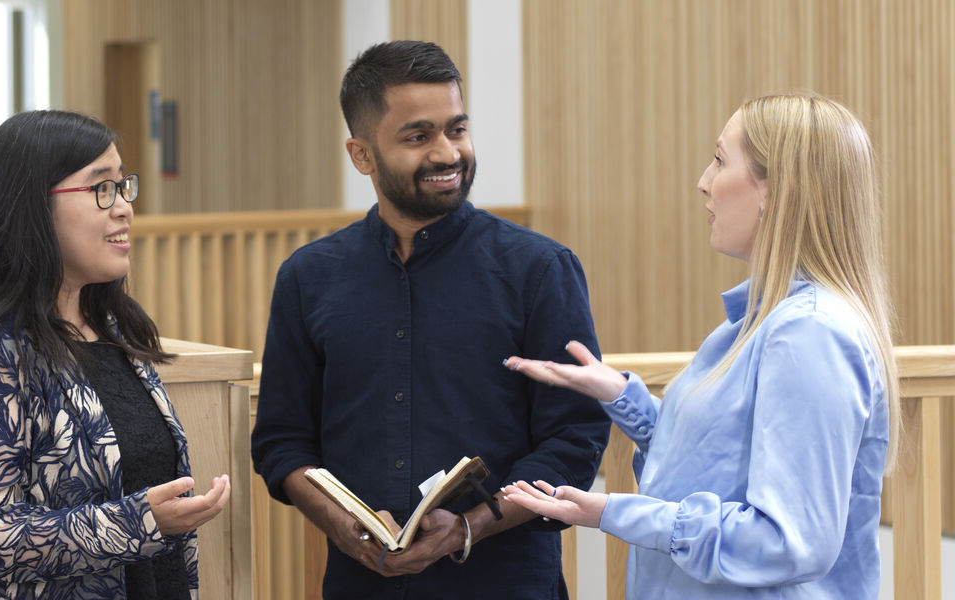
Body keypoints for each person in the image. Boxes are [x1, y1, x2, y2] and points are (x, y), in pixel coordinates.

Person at [250, 40, 609, 596]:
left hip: (508, 583)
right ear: (361, 155)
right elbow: (282, 442)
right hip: (360, 585)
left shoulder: (539, 269)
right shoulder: (308, 277)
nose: (448, 153)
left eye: (456, 129)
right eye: (418, 136)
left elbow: (574, 439)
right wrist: (345, 530)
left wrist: (469, 526)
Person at [500, 93, 895, 599]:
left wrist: (611, 512)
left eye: (719, 159)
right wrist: (622, 396)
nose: (703, 182)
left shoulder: (810, 334)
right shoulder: (759, 323)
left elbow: (789, 541)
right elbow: (719, 460)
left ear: (776, 190)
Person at [0, 110, 230, 599]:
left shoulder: (111, 325)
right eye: (101, 188)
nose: (123, 207)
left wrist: (163, 516)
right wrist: (140, 521)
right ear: (32, 207)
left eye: (124, 186)